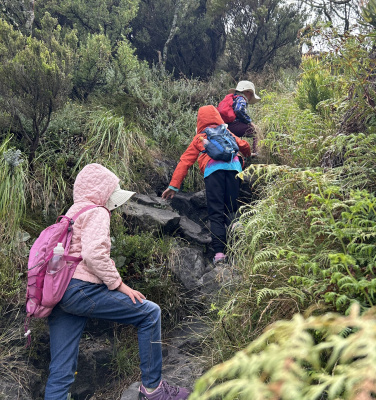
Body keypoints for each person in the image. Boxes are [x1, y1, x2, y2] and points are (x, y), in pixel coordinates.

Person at [44, 163, 190, 400]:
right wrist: (119, 285)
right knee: (149, 313)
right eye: (111, 192)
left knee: (61, 371)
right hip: (81, 289)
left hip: (59, 291)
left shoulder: (71, 212)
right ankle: (153, 390)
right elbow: (93, 255)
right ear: (102, 191)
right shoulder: (97, 211)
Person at [161, 105, 251, 264]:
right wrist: (249, 156)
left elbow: (185, 162)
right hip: (234, 170)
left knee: (216, 212)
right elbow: (244, 145)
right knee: (231, 208)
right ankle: (238, 240)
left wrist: (173, 186)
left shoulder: (200, 138)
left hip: (213, 172)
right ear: (218, 118)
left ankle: (219, 254)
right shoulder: (226, 132)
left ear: (199, 121)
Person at [217, 80, 261, 155]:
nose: (250, 97)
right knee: (256, 131)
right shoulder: (241, 98)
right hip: (235, 125)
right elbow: (239, 110)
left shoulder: (233, 98)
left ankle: (239, 154)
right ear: (247, 92)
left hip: (226, 126)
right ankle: (256, 153)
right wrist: (249, 122)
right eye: (251, 94)